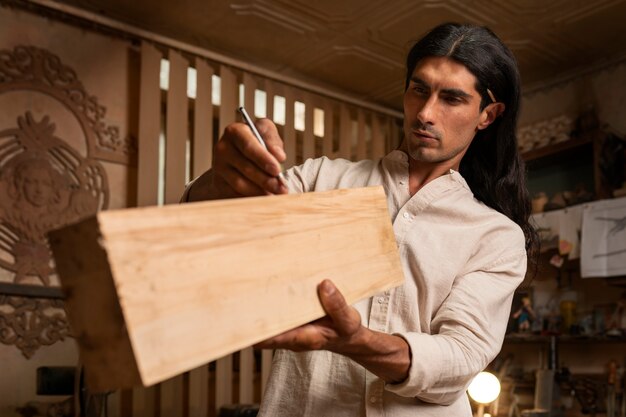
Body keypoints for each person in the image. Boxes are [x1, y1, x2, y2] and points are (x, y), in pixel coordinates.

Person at [183, 22, 538, 417]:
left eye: (451, 99)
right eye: (419, 89)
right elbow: (217, 231)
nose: (424, 113)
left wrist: (359, 342)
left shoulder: (495, 236)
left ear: (487, 115)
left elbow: (460, 356)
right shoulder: (322, 180)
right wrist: (224, 179)